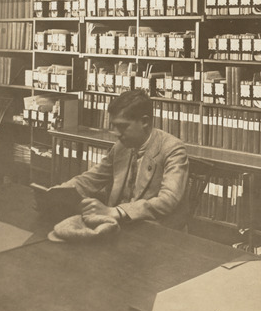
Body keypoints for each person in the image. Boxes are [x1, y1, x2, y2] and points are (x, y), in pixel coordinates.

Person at [56, 89, 190, 228]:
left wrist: (116, 211)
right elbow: (91, 178)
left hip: (159, 233)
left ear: (145, 121)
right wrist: (57, 193)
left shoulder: (173, 149)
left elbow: (167, 201)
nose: (116, 133)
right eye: (114, 126)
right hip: (124, 226)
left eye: (122, 126)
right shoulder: (122, 146)